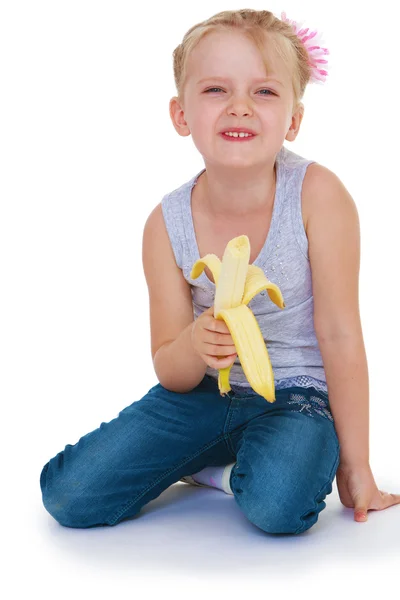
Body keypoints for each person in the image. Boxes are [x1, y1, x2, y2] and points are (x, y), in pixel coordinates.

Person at [40, 8, 400, 533]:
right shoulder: (166, 224)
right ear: (180, 114)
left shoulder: (319, 197)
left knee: (279, 507)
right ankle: (211, 460)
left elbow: (341, 333)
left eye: (264, 92)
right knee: (68, 496)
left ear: (293, 120)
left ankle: (224, 472)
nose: (239, 108)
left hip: (296, 397)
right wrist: (194, 345)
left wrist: (357, 467)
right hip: (204, 393)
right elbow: (170, 367)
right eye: (215, 90)